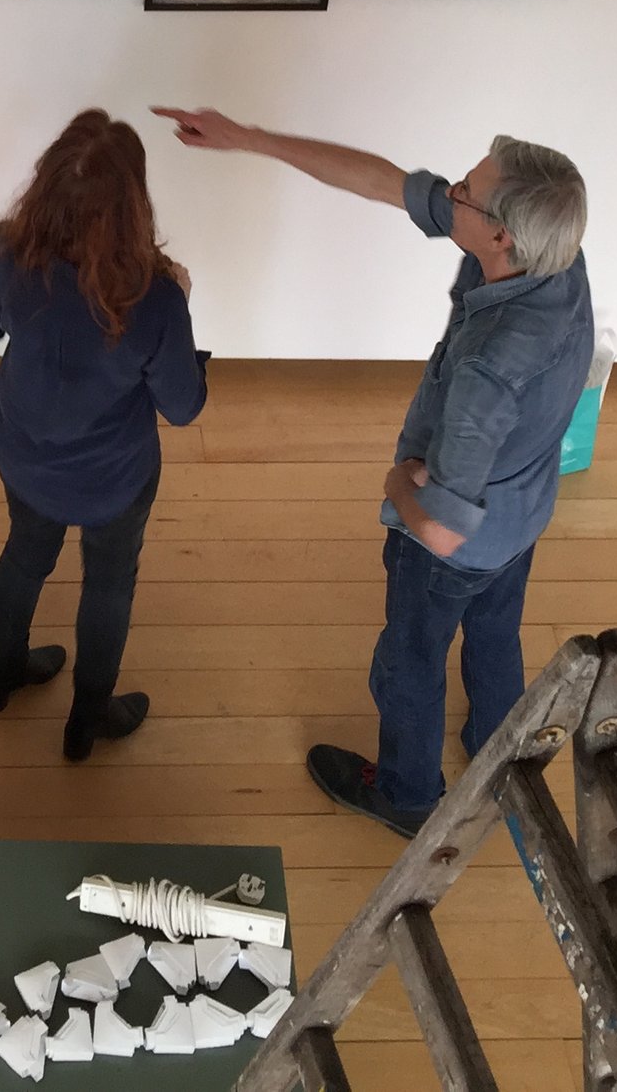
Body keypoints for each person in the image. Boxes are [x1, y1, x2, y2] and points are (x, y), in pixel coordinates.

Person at [150, 107, 593, 837]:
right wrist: (252, 134)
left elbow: (444, 531)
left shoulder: (490, 367)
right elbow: (385, 182)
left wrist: (394, 483)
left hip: (458, 542)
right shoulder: (560, 260)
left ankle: (409, 794)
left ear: (500, 236)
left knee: (407, 664)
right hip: (522, 515)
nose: (448, 190)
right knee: (494, 632)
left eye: (462, 191)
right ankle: (497, 752)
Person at [0, 111, 208, 761]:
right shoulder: (153, 297)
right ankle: (85, 722)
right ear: (134, 206)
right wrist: (181, 299)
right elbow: (182, 407)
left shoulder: (3, 250)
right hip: (113, 479)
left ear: (42, 184)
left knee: (24, 553)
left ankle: (2, 672)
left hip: (23, 452)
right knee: (108, 582)